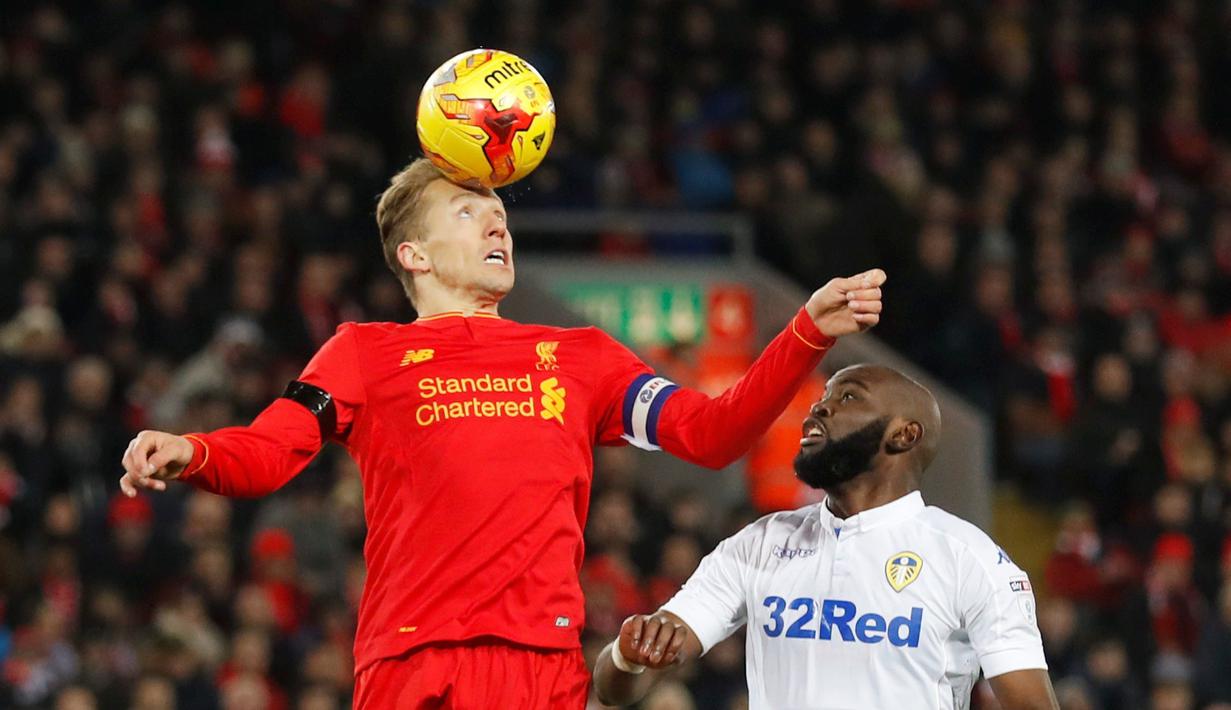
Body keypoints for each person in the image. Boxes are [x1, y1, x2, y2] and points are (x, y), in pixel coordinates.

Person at [116, 158, 887, 708]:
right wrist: (195, 451)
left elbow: (710, 433)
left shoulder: (579, 357)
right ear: (412, 255)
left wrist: (802, 334)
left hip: (540, 665)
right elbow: (271, 450)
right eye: (468, 211)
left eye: (501, 214)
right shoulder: (364, 352)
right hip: (408, 659)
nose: (496, 223)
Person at [594, 364, 1059, 710]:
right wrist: (629, 656)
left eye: (849, 398)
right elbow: (614, 687)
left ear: (903, 435)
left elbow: (1032, 705)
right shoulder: (759, 544)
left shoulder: (968, 559)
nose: (820, 405)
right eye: (825, 395)